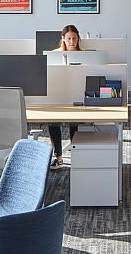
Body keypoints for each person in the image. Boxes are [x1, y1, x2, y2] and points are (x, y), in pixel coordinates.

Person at [48, 25, 82, 166]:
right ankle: (59, 157)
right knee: (53, 122)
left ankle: (77, 156)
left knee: (74, 122)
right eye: (68, 38)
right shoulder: (54, 54)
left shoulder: (84, 54)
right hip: (58, 94)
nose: (72, 42)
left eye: (74, 38)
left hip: (76, 94)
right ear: (63, 39)